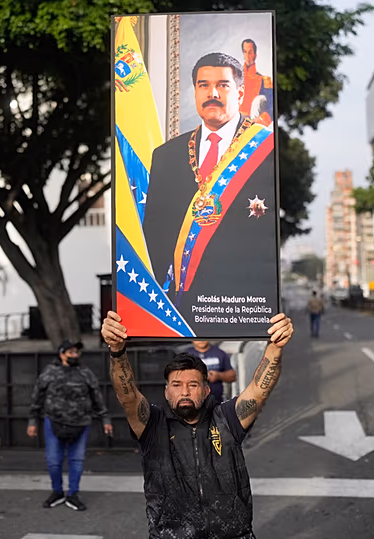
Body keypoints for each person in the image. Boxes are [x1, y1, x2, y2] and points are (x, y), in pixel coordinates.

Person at [101, 310, 293, 538]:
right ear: (166, 390)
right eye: (176, 384)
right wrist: (117, 350)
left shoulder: (227, 419)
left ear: (206, 389)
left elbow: (259, 391)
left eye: (193, 384)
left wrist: (275, 347)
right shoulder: (152, 425)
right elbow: (128, 396)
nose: (184, 391)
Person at [143, 52, 277, 330]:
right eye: (203, 85)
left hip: (242, 305)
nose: (212, 93)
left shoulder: (267, 150)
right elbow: (154, 236)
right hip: (181, 305)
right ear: (195, 92)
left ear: (240, 94)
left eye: (223, 85)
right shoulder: (166, 155)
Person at [27, 340, 113, 511]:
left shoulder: (85, 373)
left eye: (76, 352)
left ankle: (73, 494)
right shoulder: (49, 372)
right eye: (70, 352)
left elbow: (97, 397)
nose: (74, 355)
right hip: (54, 422)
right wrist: (32, 421)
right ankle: (57, 492)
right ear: (61, 353)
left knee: (77, 460)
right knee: (53, 461)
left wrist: (106, 420)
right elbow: (37, 397)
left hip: (81, 423)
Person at [239, 39, 273, 119]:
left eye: (250, 52)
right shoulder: (234, 76)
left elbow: (271, 106)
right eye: (245, 52)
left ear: (255, 55)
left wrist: (260, 121)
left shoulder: (264, 80)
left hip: (253, 123)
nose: (247, 56)